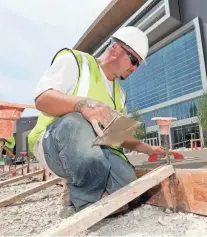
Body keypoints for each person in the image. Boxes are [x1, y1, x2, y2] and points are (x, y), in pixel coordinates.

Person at [27, 26, 166, 212]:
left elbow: (117, 135)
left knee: (129, 185)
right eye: (133, 60)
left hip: (95, 151)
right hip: (54, 144)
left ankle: (78, 189)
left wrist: (148, 149)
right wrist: (81, 105)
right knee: (77, 121)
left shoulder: (120, 95)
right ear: (116, 49)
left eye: (138, 64)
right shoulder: (76, 62)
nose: (134, 67)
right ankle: (88, 202)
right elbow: (42, 99)